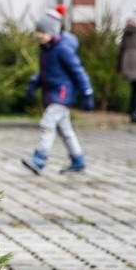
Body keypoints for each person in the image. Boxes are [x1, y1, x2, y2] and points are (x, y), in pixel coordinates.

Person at [22, 11, 95, 175]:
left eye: (43, 32)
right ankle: (78, 160)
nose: (39, 35)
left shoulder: (63, 49)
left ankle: (39, 159)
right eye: (38, 31)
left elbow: (78, 71)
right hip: (52, 93)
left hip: (62, 94)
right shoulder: (45, 50)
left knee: (47, 123)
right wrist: (34, 84)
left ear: (53, 32)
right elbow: (44, 72)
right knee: (65, 130)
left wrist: (87, 92)